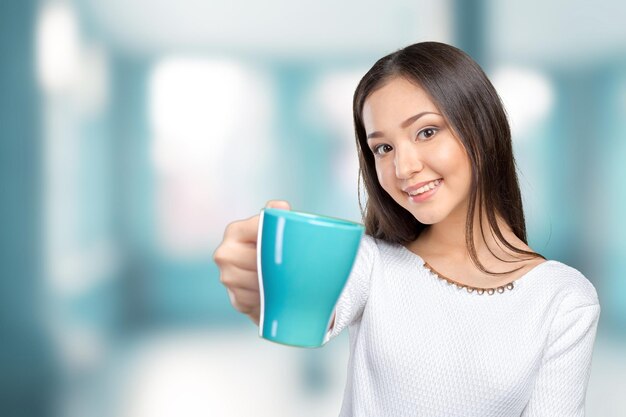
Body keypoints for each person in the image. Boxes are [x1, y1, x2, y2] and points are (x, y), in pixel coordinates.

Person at [213, 42, 601, 416]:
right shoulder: (369, 263)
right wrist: (257, 280)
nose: (404, 168)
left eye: (426, 132)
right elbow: (305, 308)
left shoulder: (564, 300)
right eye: (383, 148)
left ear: (481, 129)